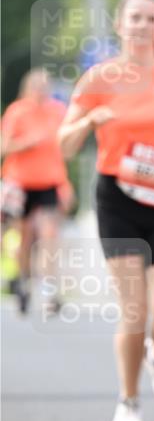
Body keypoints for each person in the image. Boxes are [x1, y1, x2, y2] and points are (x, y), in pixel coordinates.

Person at [58, 0, 154, 421]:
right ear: (120, 25)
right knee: (134, 310)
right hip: (118, 199)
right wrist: (87, 122)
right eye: (134, 18)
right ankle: (129, 401)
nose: (142, 26)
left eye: (151, 19)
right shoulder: (101, 78)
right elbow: (63, 143)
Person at [1, 68, 67, 316]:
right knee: (25, 237)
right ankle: (23, 282)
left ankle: (49, 292)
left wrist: (65, 185)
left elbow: (63, 150)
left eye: (46, 86)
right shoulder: (17, 111)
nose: (42, 91)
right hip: (20, 182)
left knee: (50, 235)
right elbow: (4, 146)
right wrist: (27, 142)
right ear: (28, 88)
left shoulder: (57, 112)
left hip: (49, 181)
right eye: (37, 86)